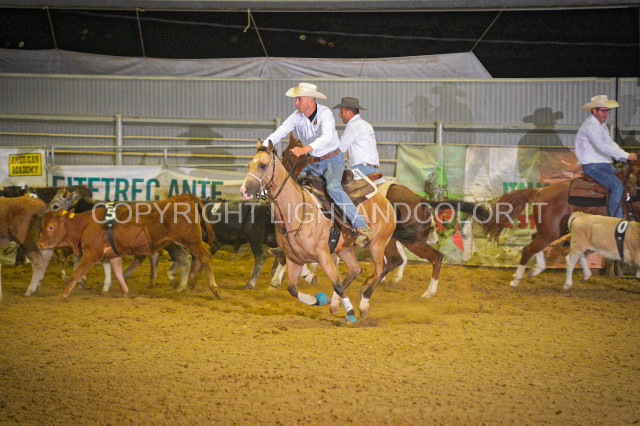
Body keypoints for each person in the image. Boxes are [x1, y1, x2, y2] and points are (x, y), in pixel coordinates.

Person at [263, 82, 373, 247]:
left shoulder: (325, 113)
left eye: (299, 99)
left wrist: (304, 149)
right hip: (313, 163)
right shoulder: (296, 117)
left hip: (332, 160)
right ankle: (292, 233)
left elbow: (327, 137)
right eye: (296, 99)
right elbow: (280, 132)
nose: (296, 103)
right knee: (292, 187)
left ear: (310, 99)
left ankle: (361, 225)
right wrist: (263, 147)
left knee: (333, 188)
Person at [575, 95, 638, 218]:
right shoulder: (590, 126)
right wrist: (625, 155)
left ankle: (629, 212)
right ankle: (616, 220)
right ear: (594, 111)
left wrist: (624, 156)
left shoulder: (601, 125)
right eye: (603, 111)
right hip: (593, 166)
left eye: (607, 110)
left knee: (627, 182)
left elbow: (610, 143)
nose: (606, 114)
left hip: (604, 165)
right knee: (617, 186)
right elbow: (602, 146)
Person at [333, 97, 380, 176]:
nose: (340, 115)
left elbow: (340, 149)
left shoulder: (353, 125)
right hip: (373, 168)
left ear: (349, 112)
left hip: (361, 168)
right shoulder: (366, 124)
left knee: (334, 179)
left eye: (342, 111)